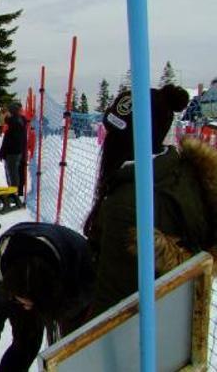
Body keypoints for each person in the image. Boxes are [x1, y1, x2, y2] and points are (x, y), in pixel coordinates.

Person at [83, 84, 217, 317]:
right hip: (174, 323)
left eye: (111, 134)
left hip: (134, 337)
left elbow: (110, 304)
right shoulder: (182, 173)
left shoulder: (128, 203)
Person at [0, 222, 93, 372]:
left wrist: (56, 311)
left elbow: (86, 300)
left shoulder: (79, 258)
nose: (27, 307)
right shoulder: (3, 277)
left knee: (73, 348)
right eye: (21, 301)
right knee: (27, 342)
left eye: (32, 303)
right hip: (23, 274)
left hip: (71, 279)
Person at [0, 103, 27, 195]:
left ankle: (13, 191)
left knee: (12, 172)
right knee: (16, 171)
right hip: (19, 150)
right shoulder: (20, 121)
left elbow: (7, 140)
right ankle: (17, 190)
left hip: (11, 152)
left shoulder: (12, 123)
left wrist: (2, 152)